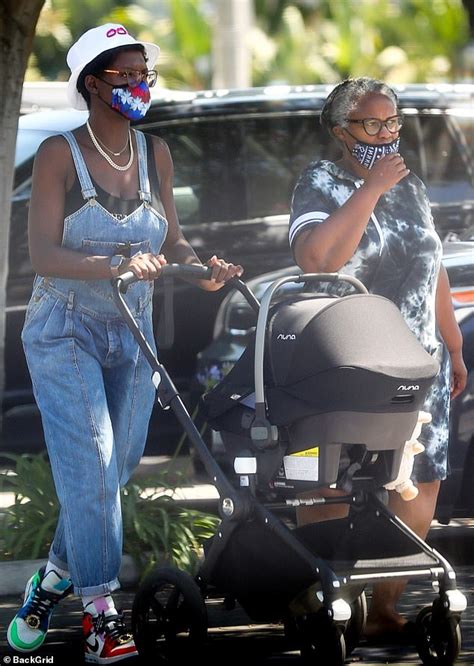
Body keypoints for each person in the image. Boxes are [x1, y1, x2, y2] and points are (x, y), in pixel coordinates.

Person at [7, 24, 242, 663]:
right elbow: (43, 255)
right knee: (90, 464)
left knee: (108, 475)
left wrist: (205, 268)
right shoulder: (60, 154)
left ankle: (51, 579)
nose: (141, 84)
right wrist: (115, 266)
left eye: (146, 73)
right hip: (64, 332)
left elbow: (172, 241)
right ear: (93, 83)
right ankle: (101, 616)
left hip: (133, 330)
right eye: (128, 74)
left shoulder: (154, 152)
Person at [288, 77, 467, 640]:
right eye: (373, 124)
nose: (388, 134)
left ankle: (384, 605)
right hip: (348, 358)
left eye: (393, 123)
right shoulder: (319, 182)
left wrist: (454, 342)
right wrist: (368, 189)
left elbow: (431, 260)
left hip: (417, 358)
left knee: (419, 480)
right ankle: (329, 601)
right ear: (342, 131)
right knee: (334, 479)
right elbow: (317, 258)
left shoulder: (409, 188)